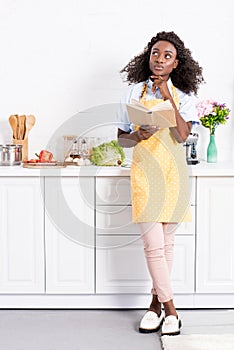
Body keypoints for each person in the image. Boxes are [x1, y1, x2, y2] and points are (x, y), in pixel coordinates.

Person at [117, 31, 204, 336]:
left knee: (166, 245)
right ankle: (172, 311)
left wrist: (169, 98)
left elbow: (182, 137)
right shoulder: (132, 94)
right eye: (156, 53)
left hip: (173, 173)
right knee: (153, 245)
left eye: (167, 56)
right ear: (148, 56)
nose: (159, 59)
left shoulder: (185, 98)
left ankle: (154, 307)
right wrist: (136, 135)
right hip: (145, 173)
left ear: (176, 64)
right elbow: (121, 138)